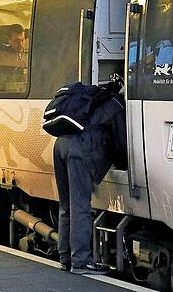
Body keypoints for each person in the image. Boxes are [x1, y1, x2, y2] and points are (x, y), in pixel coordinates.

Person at [52, 80, 124, 275]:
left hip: (61, 145)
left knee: (66, 206)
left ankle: (65, 258)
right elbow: (121, 143)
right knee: (80, 207)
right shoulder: (116, 103)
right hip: (80, 150)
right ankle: (80, 262)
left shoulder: (91, 97)